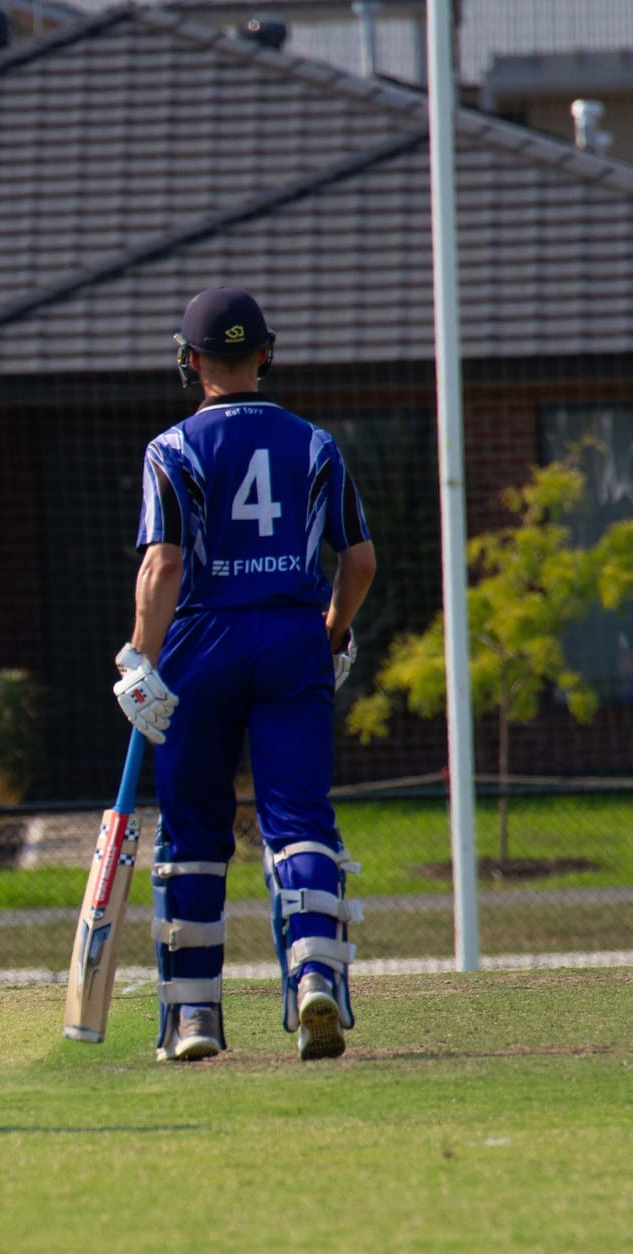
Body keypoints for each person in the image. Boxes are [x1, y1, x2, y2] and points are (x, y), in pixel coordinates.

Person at [116, 287, 375, 1062]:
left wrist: (140, 656)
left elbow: (163, 562)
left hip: (200, 641)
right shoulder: (316, 444)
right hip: (293, 636)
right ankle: (313, 976)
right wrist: (329, 633)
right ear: (266, 353)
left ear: (190, 362)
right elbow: (358, 561)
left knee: (195, 829)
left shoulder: (171, 449)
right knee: (298, 818)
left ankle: (194, 1015)